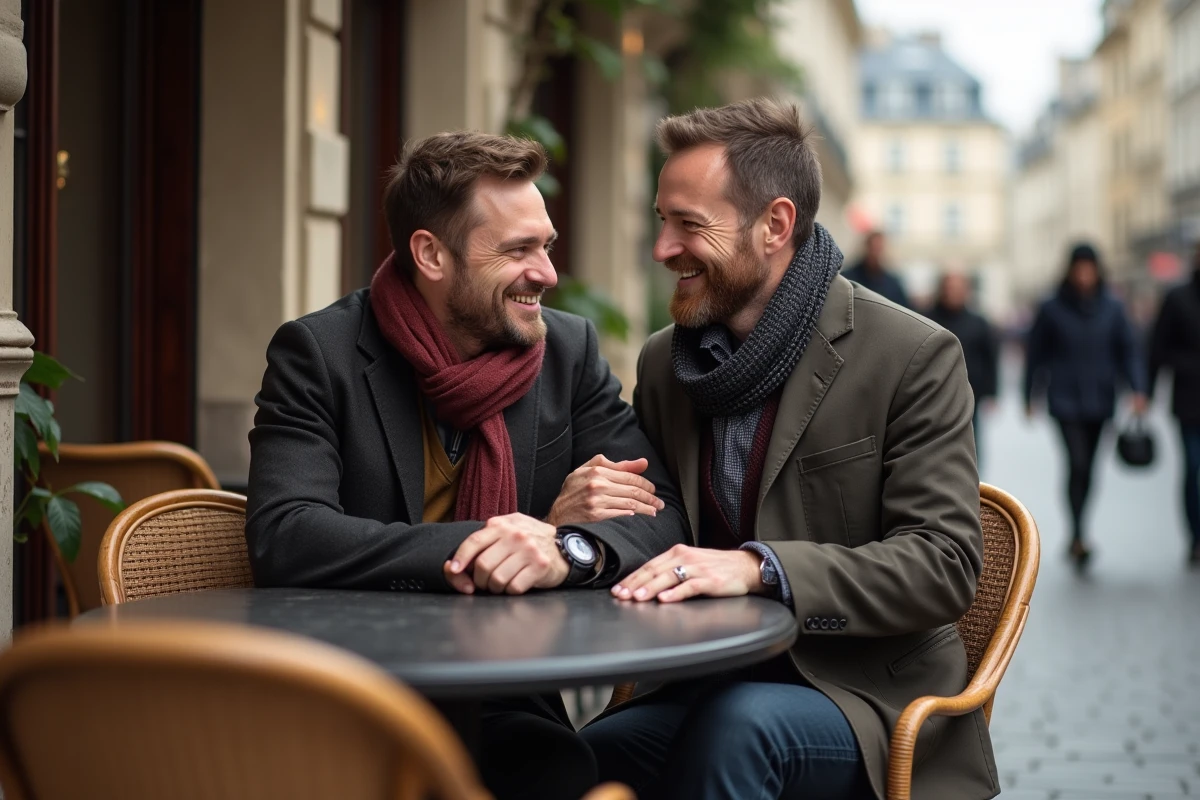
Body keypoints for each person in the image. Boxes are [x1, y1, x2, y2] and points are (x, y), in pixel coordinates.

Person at [245, 131, 690, 800]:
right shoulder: (321, 354)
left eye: (546, 245)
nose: (546, 272)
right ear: (430, 254)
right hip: (349, 692)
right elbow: (287, 535)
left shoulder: (567, 352)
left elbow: (659, 512)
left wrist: (562, 547)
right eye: (517, 250)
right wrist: (497, 539)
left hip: (504, 699)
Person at [581, 99, 994, 799]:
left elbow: (945, 565)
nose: (662, 250)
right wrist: (583, 520)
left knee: (741, 731)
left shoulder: (913, 354)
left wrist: (759, 568)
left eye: (689, 225)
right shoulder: (663, 365)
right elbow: (654, 526)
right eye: (662, 222)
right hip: (704, 677)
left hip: (868, 697)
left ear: (775, 225)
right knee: (574, 755)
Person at [1024, 243, 1148, 568]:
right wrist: (1029, 394)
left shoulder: (1113, 307)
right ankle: (1077, 534)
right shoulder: (1052, 307)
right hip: (1065, 398)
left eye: (1088, 268)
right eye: (1078, 268)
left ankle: (1081, 528)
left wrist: (1137, 389)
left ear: (1096, 270)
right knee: (1076, 463)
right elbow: (1035, 353)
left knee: (1089, 468)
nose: (1083, 275)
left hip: (1101, 397)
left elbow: (1128, 350)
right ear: (1070, 270)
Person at [1149, 241, 1200, 566]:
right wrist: (1147, 391)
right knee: (1193, 468)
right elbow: (1158, 347)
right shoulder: (1178, 297)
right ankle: (1196, 538)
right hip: (1189, 399)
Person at [926, 272, 1000, 465]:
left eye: (958, 288)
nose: (953, 293)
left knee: (971, 441)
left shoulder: (978, 322)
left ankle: (971, 483)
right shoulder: (926, 319)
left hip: (971, 393)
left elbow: (990, 358)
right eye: (950, 288)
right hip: (935, 393)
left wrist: (993, 393)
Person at [842, 230, 910, 308]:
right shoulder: (848, 280)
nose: (875, 254)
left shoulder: (892, 284)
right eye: (873, 248)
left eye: (878, 249)